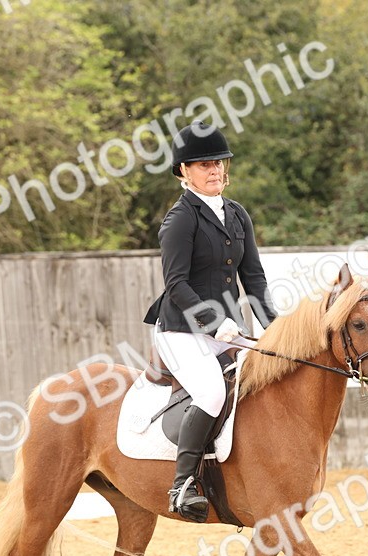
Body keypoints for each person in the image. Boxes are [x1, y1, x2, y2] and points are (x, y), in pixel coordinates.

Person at [142, 121, 277, 522]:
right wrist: (213, 322)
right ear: (184, 171)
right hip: (183, 330)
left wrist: (275, 329)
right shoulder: (180, 220)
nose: (215, 169)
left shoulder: (237, 215)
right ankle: (182, 484)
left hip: (229, 329)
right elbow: (177, 284)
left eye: (219, 162)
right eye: (203, 164)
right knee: (213, 393)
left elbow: (253, 279)